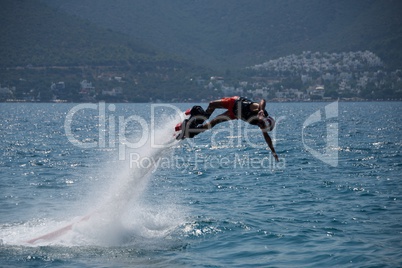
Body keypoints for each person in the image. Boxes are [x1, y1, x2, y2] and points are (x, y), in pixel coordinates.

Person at [178, 96, 279, 161]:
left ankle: (193, 131)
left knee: (214, 122)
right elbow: (263, 100)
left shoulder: (260, 124)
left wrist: (273, 151)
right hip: (234, 102)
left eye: (262, 127)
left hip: (233, 114)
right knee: (212, 104)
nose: (261, 127)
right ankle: (198, 116)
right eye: (262, 125)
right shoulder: (260, 111)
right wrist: (261, 110)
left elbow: (267, 138)